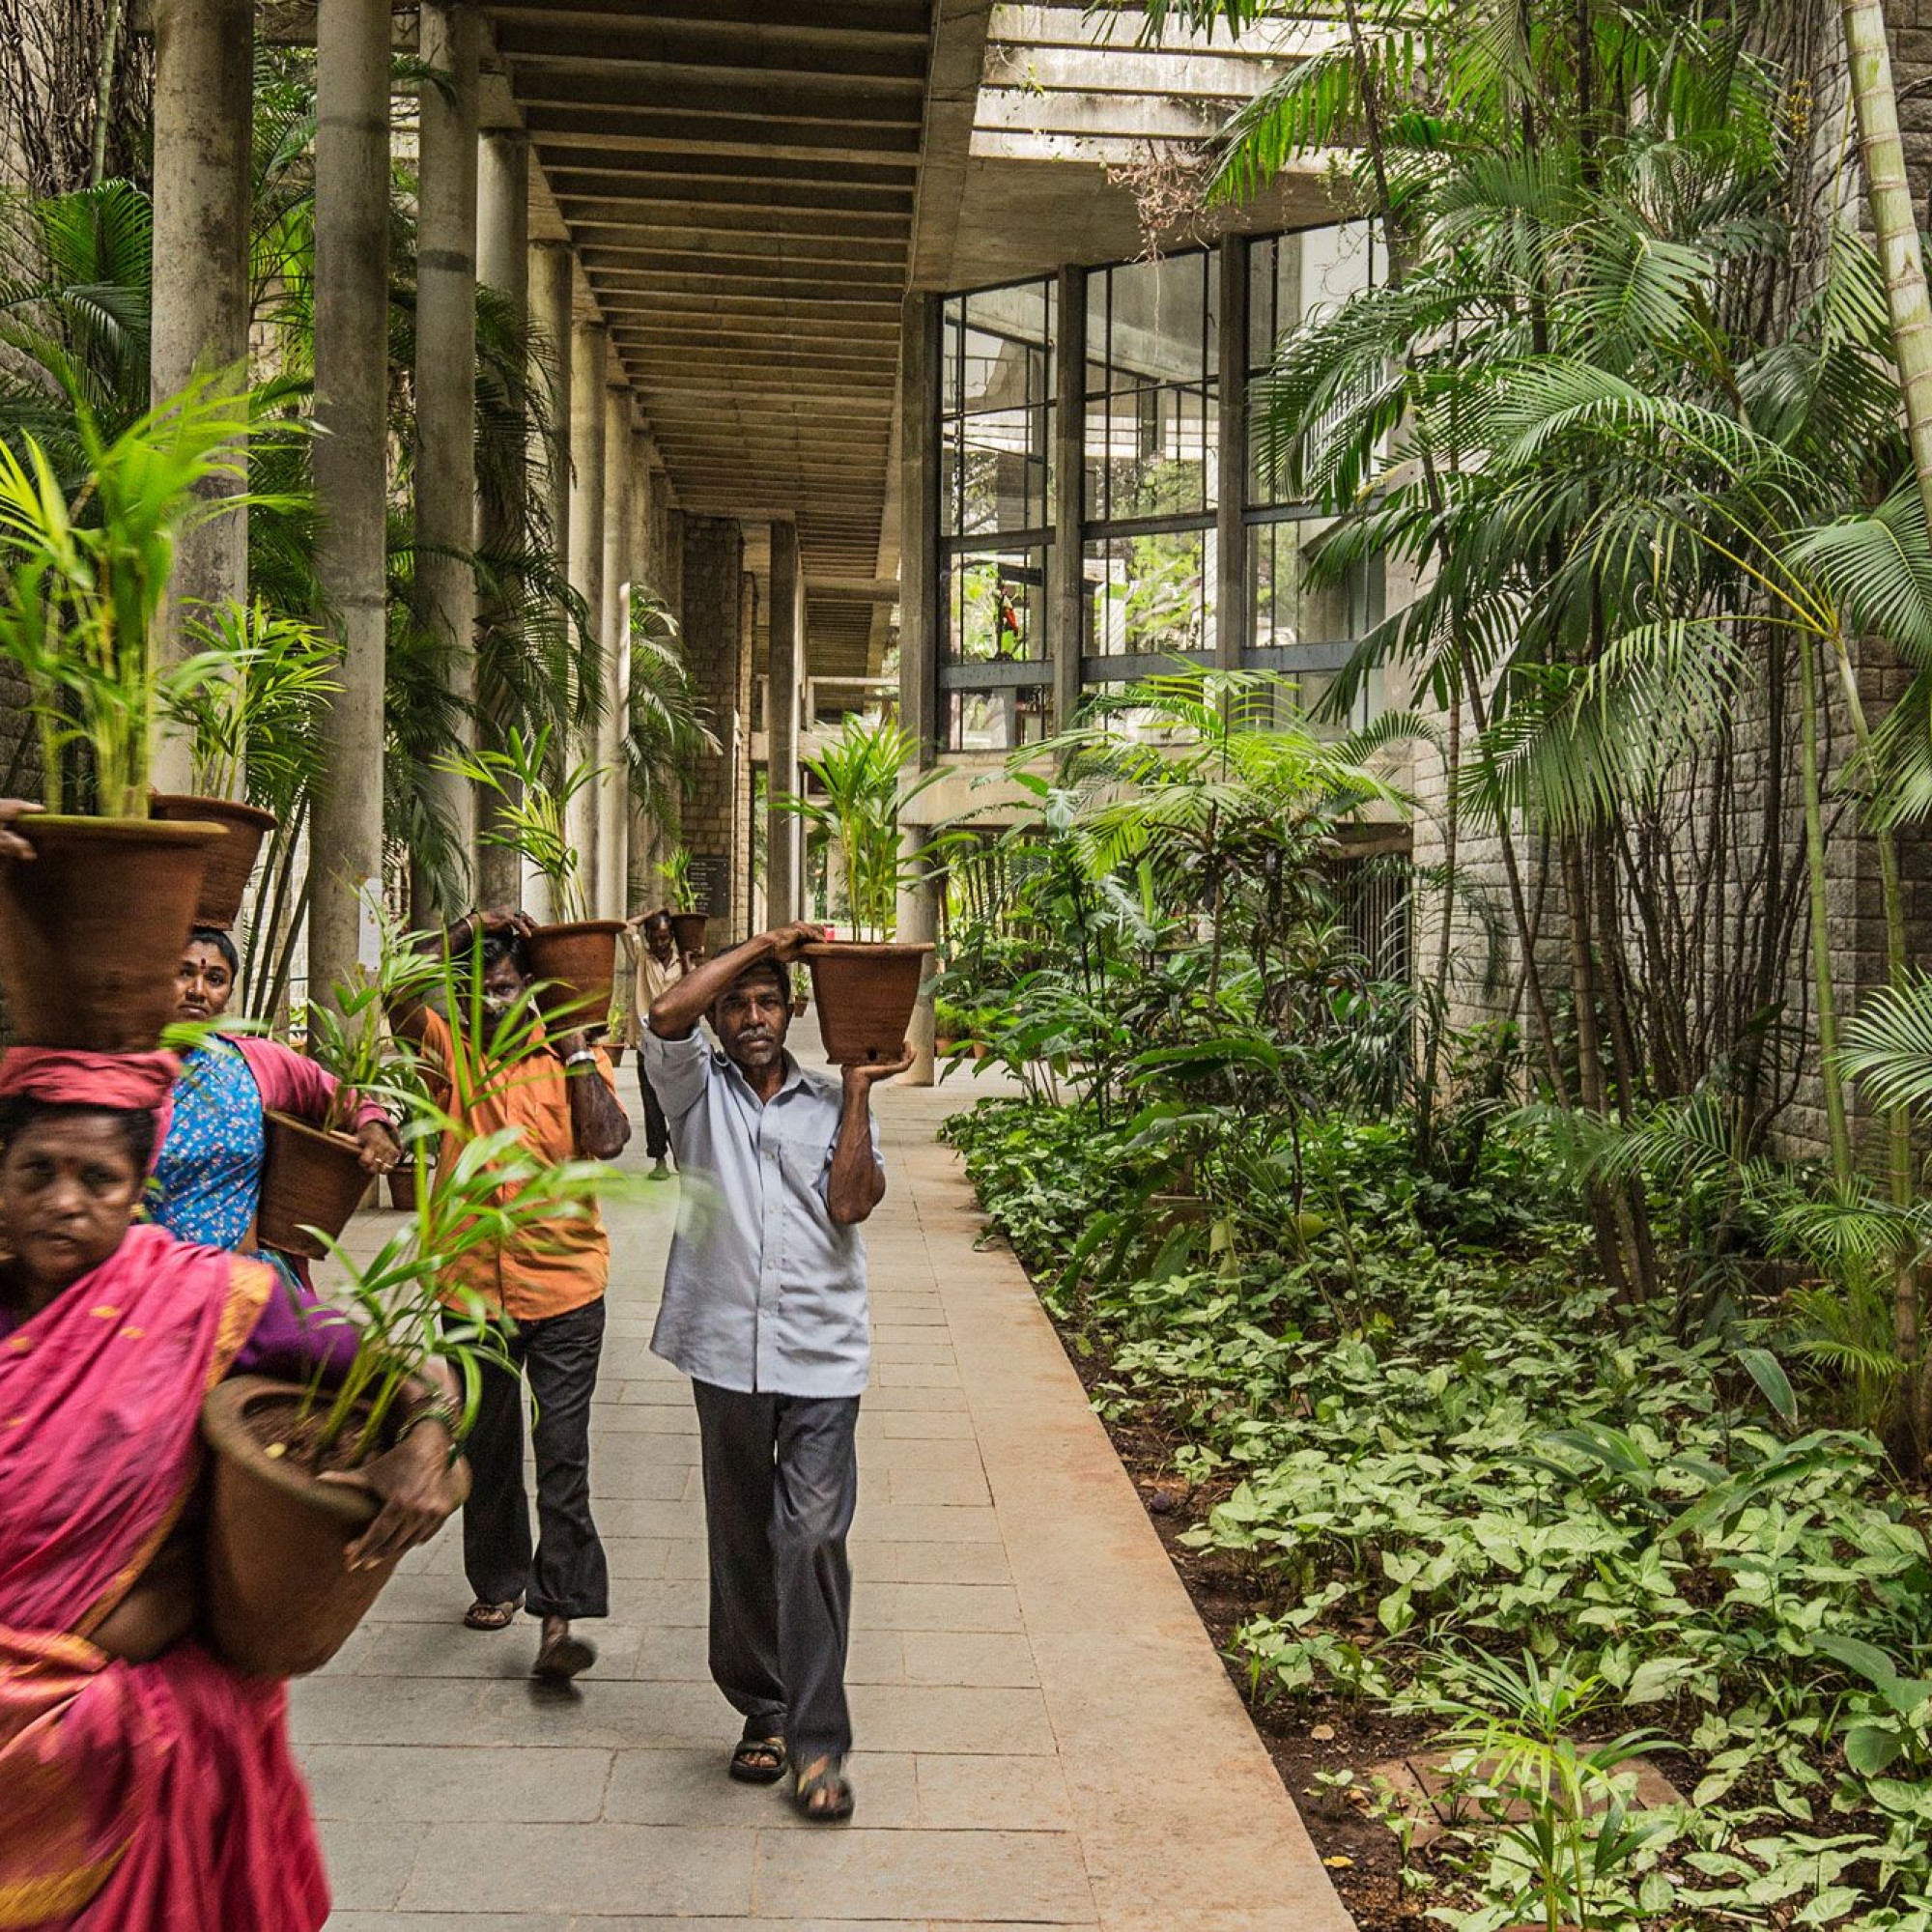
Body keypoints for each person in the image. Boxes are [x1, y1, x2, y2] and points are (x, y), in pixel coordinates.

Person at [0, 1045, 464, 1928]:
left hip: (136, 1747)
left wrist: (427, 1442)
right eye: (38, 1173)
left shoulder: (210, 1300)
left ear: (139, 1184)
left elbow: (408, 1376)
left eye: (97, 1178)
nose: (65, 1202)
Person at [643, 919, 913, 1823]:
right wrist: (766, 942)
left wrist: (863, 1093)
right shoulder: (690, 1092)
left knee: (810, 1537)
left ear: (793, 1012)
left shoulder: (832, 1101)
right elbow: (662, 1011)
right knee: (742, 1537)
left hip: (821, 1353)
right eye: (738, 1005)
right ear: (720, 1018)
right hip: (722, 1347)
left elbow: (852, 1203)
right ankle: (761, 1708)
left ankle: (819, 1741)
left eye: (768, 1002)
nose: (753, 1017)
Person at [388, 904, 631, 1682]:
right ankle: (498, 1581)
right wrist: (462, 929)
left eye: (509, 979)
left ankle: (559, 1617)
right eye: (483, 983)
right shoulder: (449, 1052)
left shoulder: (573, 1053)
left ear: (534, 986)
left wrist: (576, 1049)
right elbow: (397, 992)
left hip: (564, 1286)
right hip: (469, 1290)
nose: (496, 992)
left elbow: (608, 1140)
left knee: (563, 1452)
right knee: (489, 1445)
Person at [153, 926, 402, 1259]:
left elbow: (336, 1095)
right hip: (149, 1286)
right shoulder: (125, 1068)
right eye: (183, 973)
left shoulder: (256, 1062)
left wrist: (372, 1125)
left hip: (242, 1286)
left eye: (215, 979)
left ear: (227, 992)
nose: (198, 991)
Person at [624, 907, 685, 1179]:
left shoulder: (683, 962)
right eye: (654, 938)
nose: (660, 944)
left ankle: (682, 1152)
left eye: (664, 937)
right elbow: (627, 927)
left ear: (672, 936)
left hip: (676, 1041)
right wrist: (653, 912)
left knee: (681, 1101)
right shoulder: (641, 959)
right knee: (652, 1103)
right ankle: (659, 1158)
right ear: (647, 938)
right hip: (647, 1043)